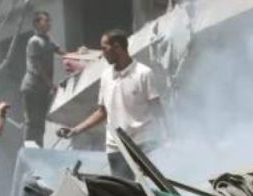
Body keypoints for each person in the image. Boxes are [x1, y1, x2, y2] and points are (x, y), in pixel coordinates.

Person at [58, 30, 163, 180]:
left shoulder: (144, 73)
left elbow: (157, 109)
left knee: (149, 189)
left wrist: (167, 138)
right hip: (116, 148)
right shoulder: (106, 76)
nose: (102, 53)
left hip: (143, 144)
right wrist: (75, 130)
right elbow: (102, 111)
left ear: (117, 47)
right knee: (123, 189)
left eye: (105, 48)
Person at [21, 11, 65, 147]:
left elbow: (63, 53)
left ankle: (39, 147)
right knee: (32, 121)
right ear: (37, 23)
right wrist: (50, 84)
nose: (49, 23)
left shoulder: (48, 40)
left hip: (43, 88)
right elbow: (38, 67)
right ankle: (30, 149)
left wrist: (80, 54)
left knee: (40, 122)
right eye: (46, 21)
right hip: (32, 87)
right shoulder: (34, 41)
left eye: (49, 21)